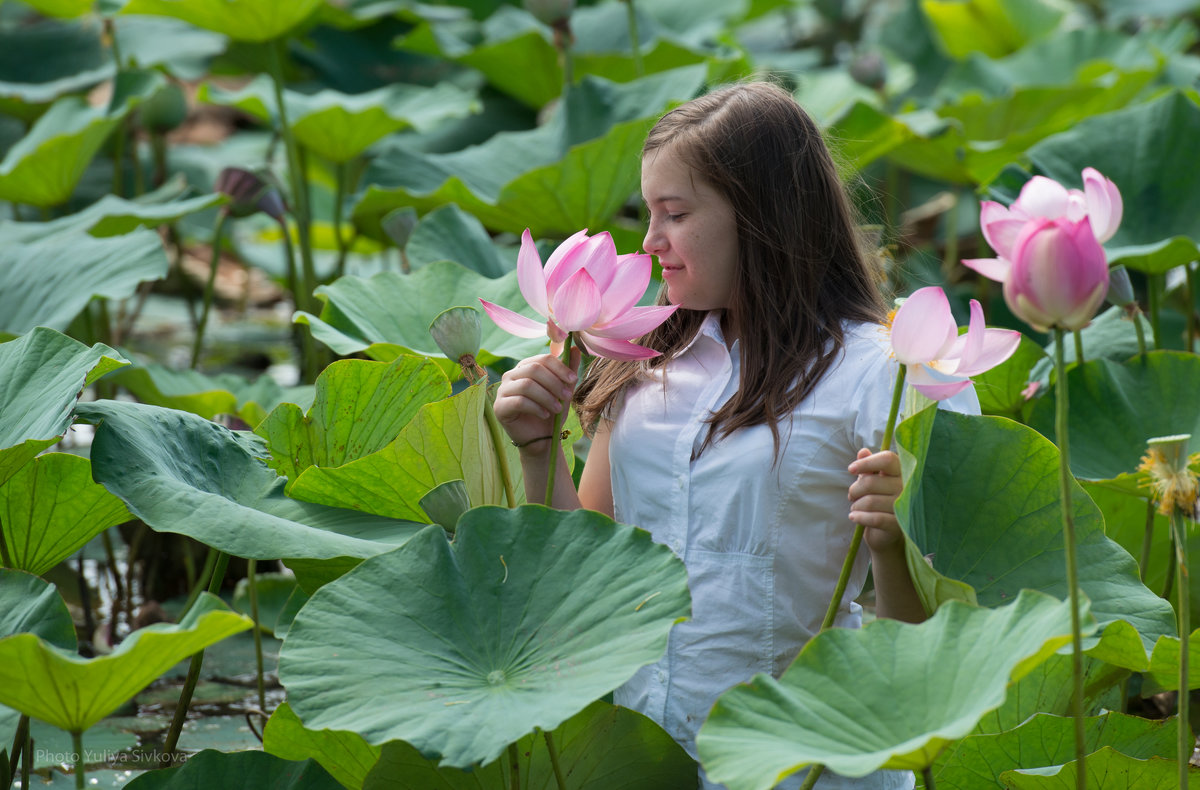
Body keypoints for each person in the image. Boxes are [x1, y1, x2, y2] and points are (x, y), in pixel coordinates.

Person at [492, 81, 977, 789]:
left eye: (675, 214)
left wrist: (891, 542)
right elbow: (585, 572)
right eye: (648, 214)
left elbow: (937, 651)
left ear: (762, 216)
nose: (651, 242)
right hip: (638, 754)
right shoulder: (641, 362)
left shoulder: (890, 372)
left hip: (807, 764)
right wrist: (539, 452)